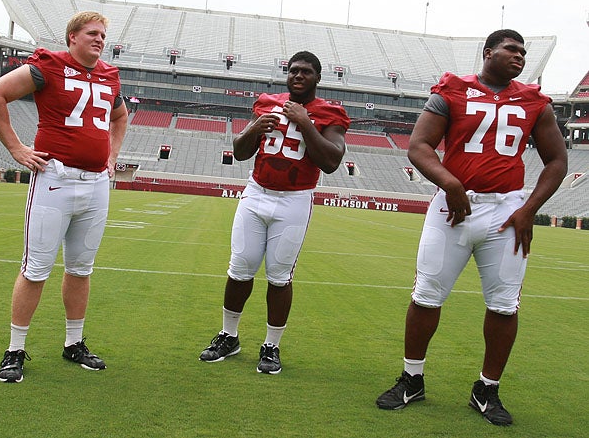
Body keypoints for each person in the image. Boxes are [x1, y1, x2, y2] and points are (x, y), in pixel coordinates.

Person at [375, 29, 567, 425]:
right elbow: (419, 145)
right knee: (426, 294)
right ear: (488, 52)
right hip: (453, 207)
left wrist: (529, 209)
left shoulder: (535, 101)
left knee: (503, 303)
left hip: (507, 210)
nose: (520, 56)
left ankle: (487, 388)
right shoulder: (451, 91)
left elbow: (557, 160)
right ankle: (412, 378)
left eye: (523, 52)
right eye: (511, 50)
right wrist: (450, 183)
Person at [0, 11, 128, 383]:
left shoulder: (110, 75)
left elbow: (120, 116)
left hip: (96, 183)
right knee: (36, 269)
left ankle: (73, 343)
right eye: (92, 33)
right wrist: (16, 149)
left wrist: (112, 156)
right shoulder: (47, 65)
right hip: (55, 178)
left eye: (102, 35)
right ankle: (14, 349)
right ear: (72, 37)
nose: (99, 39)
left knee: (81, 268)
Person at [199, 51, 350, 374]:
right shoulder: (267, 103)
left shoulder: (329, 113)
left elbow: (331, 161)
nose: (298, 76)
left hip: (294, 200)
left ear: (317, 78)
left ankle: (271, 345)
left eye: (306, 72)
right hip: (256, 193)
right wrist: (255, 128)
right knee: (240, 268)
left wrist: (305, 123)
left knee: (280, 276)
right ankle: (229, 335)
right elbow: (240, 152)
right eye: (293, 70)